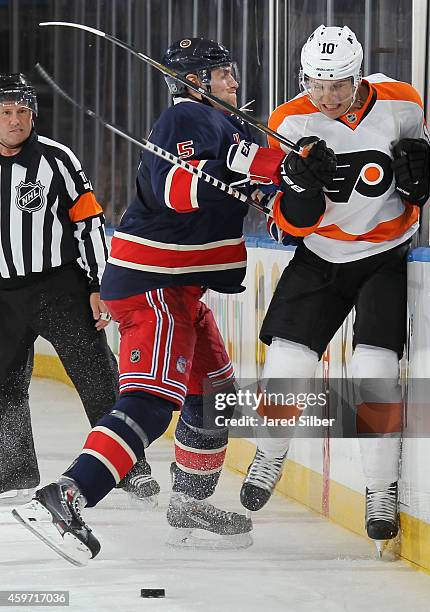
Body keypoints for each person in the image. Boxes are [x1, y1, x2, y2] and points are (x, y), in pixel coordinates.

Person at [12, 38, 288, 564]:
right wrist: (261, 176)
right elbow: (180, 191)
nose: (233, 81)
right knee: (151, 404)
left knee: (212, 389)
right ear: (195, 83)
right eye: (222, 73)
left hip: (179, 289)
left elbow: (242, 176)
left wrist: (276, 186)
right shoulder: (187, 118)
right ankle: (67, 495)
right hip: (153, 284)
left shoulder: (222, 125)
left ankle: (188, 505)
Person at [236, 25, 429, 552]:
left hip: (384, 255)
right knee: (288, 365)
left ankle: (380, 491)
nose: (325, 97)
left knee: (376, 372)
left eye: (337, 85)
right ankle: (271, 453)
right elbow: (289, 222)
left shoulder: (403, 102)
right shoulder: (288, 119)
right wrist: (298, 188)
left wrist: (421, 179)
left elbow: (421, 181)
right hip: (320, 256)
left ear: (358, 75)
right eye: (315, 84)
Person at [0, 73, 157, 505]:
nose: (15, 121)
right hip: (3, 297)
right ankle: (12, 472)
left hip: (59, 288)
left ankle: (130, 468)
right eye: (6, 112)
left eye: (23, 112)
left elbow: (88, 222)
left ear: (34, 114)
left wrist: (97, 284)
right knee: (5, 384)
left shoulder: (57, 159)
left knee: (96, 374)